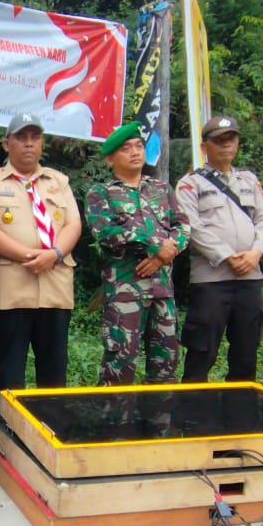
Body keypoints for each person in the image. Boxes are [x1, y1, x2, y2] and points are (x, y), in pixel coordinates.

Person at [0, 113, 81, 434]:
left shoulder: (58, 181)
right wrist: (28, 256)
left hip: (55, 284)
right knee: (9, 363)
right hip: (12, 285)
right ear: (7, 143)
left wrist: (55, 254)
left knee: (53, 362)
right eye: (21, 137)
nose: (29, 143)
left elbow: (74, 224)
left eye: (35, 137)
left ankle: (53, 425)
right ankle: (8, 425)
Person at [85, 122, 189, 385]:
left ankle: (158, 425)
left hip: (162, 291)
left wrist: (163, 256)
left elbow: (183, 226)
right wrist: (155, 244)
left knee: (165, 367)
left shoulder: (162, 189)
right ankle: (115, 425)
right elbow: (106, 233)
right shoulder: (101, 193)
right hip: (125, 293)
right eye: (126, 149)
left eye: (139, 146)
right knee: (119, 367)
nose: (135, 152)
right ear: (110, 159)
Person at [175, 115, 263, 383]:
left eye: (231, 139)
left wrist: (256, 253)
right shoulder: (191, 183)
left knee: (246, 352)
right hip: (211, 281)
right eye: (219, 141)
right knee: (201, 352)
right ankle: (193, 421)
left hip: (250, 278)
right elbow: (190, 226)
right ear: (205, 145)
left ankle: (240, 418)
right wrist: (228, 256)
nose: (226, 146)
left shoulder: (249, 180)